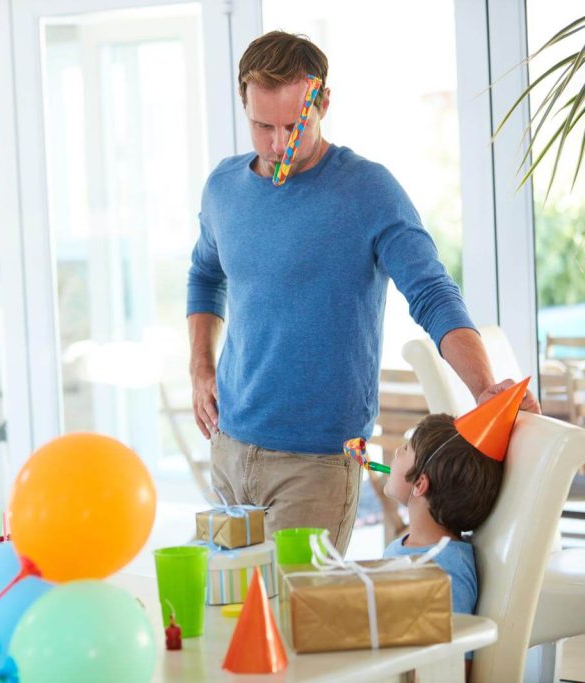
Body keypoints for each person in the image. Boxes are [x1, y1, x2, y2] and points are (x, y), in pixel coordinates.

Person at [186, 31, 539, 553]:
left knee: (300, 628)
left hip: (319, 464)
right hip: (230, 449)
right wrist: (200, 366)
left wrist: (482, 384)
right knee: (235, 621)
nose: (278, 144)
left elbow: (432, 293)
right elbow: (204, 274)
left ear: (322, 101)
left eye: (294, 125)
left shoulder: (368, 191)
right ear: (244, 103)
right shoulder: (223, 188)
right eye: (263, 127)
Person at [381, 377, 527, 674]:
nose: (396, 453)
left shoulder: (446, 569)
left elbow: (455, 663)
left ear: (420, 484)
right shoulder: (405, 547)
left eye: (406, 449)